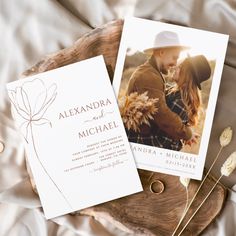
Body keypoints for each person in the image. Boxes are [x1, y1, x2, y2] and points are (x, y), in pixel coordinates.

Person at [126, 31, 193, 147]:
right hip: (136, 141)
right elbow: (162, 114)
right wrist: (187, 134)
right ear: (162, 52)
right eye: (174, 58)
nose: (175, 63)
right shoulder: (148, 76)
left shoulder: (152, 72)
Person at [158, 55, 211, 150]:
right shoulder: (172, 92)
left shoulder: (181, 103)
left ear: (187, 74)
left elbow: (163, 139)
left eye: (180, 67)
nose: (175, 67)